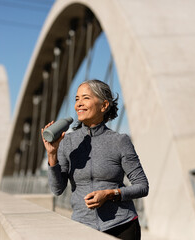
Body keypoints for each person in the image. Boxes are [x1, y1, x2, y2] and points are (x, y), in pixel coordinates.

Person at [41, 79, 149, 240]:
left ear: (104, 105)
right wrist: (52, 154)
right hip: (82, 228)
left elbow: (142, 186)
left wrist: (110, 194)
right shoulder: (67, 142)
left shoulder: (120, 141)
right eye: (77, 99)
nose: (79, 104)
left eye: (86, 98)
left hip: (122, 226)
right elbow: (57, 189)